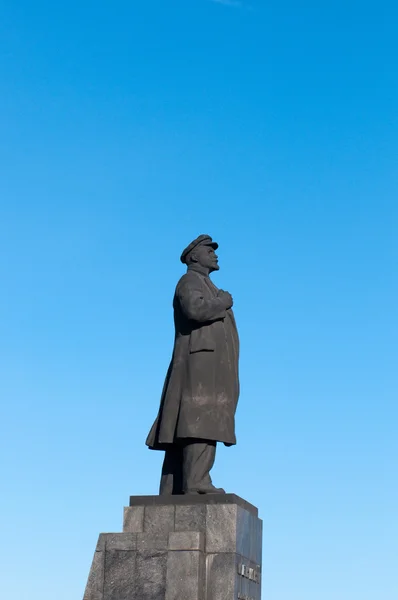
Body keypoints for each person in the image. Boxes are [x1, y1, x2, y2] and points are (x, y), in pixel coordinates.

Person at [146, 234, 240, 494]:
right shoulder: (189, 281)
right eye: (209, 251)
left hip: (206, 367)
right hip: (199, 367)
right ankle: (197, 482)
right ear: (194, 256)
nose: (215, 255)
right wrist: (222, 302)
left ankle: (177, 487)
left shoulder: (204, 283)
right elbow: (194, 310)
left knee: (198, 422)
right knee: (199, 421)